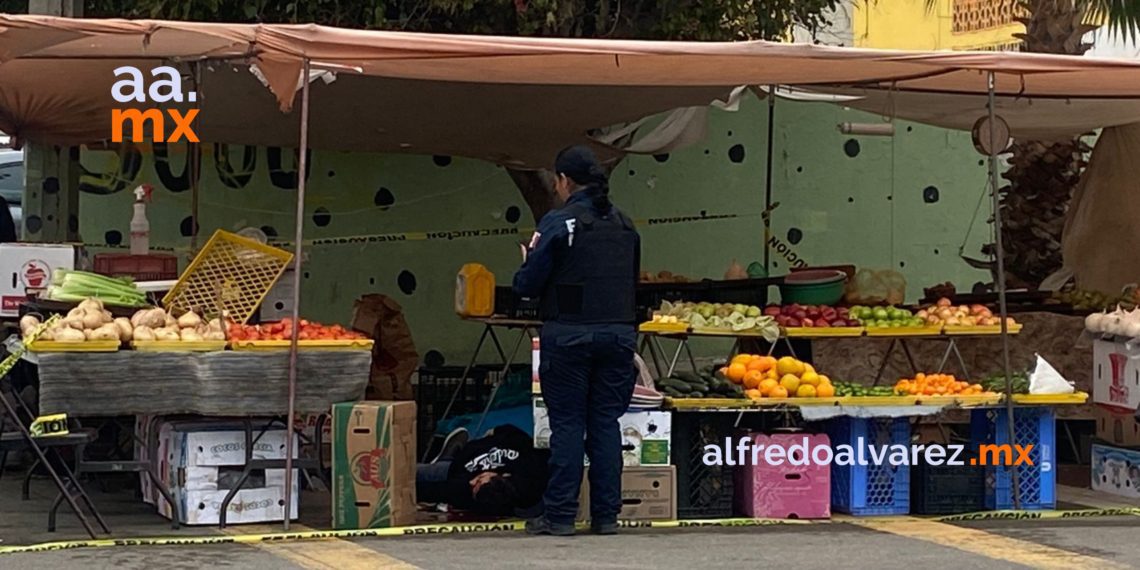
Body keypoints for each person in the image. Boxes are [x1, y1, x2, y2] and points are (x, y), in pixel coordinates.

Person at [513, 145, 640, 536]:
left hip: (568, 337)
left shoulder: (559, 223)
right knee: (605, 423)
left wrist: (525, 263)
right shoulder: (624, 224)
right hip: (618, 335)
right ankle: (606, 516)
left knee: (568, 424)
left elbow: (527, 286)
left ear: (563, 181)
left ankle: (561, 515)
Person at [416, 425, 549, 517]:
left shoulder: (467, 491)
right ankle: (447, 457)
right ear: (498, 476)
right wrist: (497, 431)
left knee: (415, 473)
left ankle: (446, 457)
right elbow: (525, 441)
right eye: (480, 479)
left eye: (476, 485)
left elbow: (436, 491)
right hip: (483, 447)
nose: (473, 482)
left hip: (455, 468)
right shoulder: (530, 476)